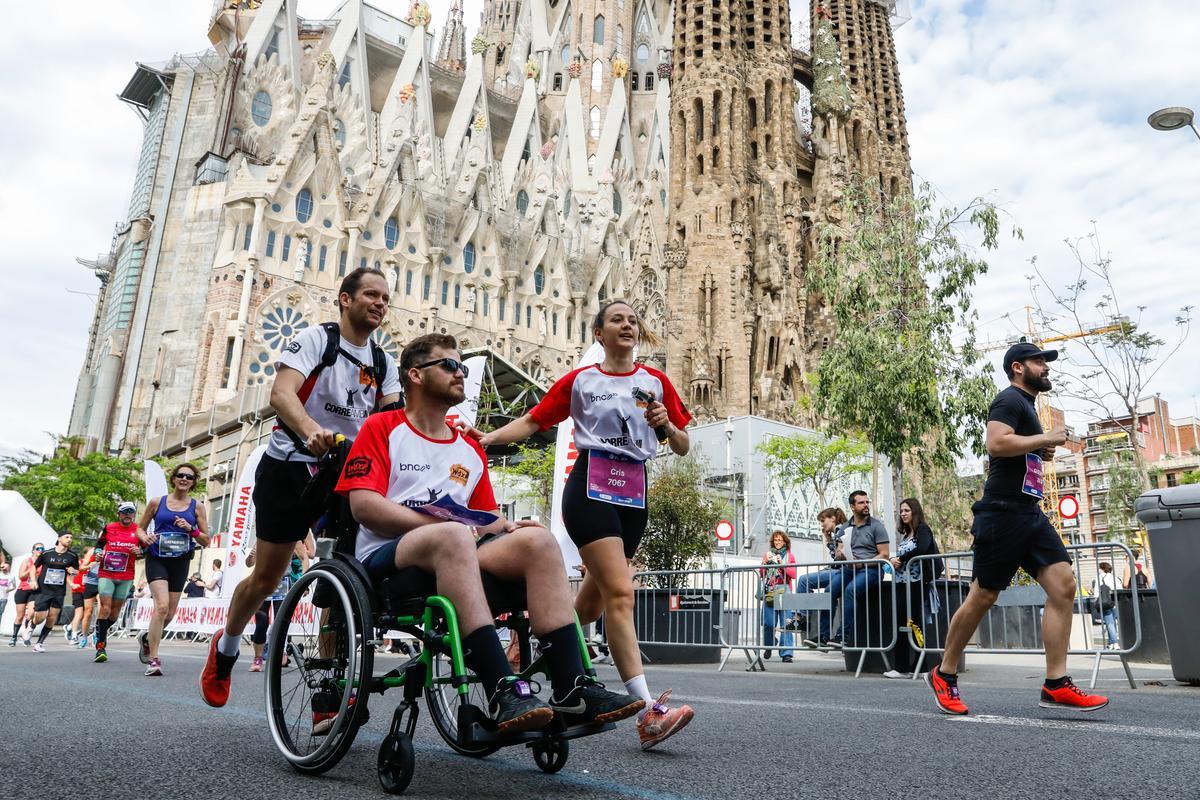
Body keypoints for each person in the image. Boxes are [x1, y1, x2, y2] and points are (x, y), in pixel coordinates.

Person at [332, 332, 644, 735]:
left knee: (538, 540)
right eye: (448, 365)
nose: (459, 373)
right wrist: (441, 526)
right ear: (415, 375)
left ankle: (573, 687)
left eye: (462, 366)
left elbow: (484, 518)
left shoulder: (469, 448)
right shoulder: (382, 427)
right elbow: (364, 506)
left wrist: (508, 527)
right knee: (453, 536)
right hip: (388, 555)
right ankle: (502, 688)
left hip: (456, 548)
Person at [474, 300, 695, 750]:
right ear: (598, 333)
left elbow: (684, 444)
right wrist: (489, 437)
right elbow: (533, 420)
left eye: (633, 320)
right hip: (590, 489)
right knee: (620, 591)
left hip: (634, 493)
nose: (628, 325)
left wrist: (667, 425)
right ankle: (650, 713)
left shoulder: (656, 382)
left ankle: (534, 649)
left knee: (591, 607)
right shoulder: (581, 381)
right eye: (617, 320)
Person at [200, 267, 402, 707]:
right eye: (371, 294)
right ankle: (226, 648)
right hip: (291, 466)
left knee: (345, 577)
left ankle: (329, 689)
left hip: (347, 474)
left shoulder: (384, 362)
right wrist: (311, 430)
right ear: (345, 299)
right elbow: (282, 394)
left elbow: (393, 420)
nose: (380, 304)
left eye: (386, 298)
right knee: (267, 577)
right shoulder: (315, 340)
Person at [926, 343, 1108, 715]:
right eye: (1039, 362)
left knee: (1064, 584)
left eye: (1046, 362)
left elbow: (1016, 448)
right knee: (983, 596)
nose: (1046, 368)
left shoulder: (1027, 407)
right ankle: (944, 673)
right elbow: (996, 442)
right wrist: (1044, 439)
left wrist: (1037, 452)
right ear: (1017, 367)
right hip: (1002, 514)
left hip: (1029, 512)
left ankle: (1056, 683)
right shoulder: (1009, 400)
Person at [137, 464, 210, 675]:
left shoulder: (197, 507)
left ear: (194, 481)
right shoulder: (157, 502)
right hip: (157, 558)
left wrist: (191, 529)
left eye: (189, 476)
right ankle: (154, 660)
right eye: (180, 475)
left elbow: (206, 541)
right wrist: (145, 538)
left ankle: (146, 638)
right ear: (174, 478)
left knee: (169, 613)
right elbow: (140, 528)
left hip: (180, 561)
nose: (184, 479)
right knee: (161, 606)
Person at [886, 498, 941, 678]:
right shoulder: (905, 535)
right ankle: (902, 667)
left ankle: (921, 666)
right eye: (901, 511)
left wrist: (900, 559)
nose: (903, 514)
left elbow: (923, 548)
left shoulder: (923, 530)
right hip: (901, 584)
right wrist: (893, 561)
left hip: (917, 583)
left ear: (915, 511)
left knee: (915, 623)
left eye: (907, 510)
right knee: (901, 623)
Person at [830, 491, 890, 649]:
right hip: (850, 569)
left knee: (851, 590)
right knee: (829, 590)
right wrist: (840, 554)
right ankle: (823, 636)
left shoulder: (877, 526)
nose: (866, 505)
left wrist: (862, 564)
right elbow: (839, 552)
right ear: (852, 506)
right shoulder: (844, 527)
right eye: (861, 503)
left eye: (867, 502)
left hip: (872, 570)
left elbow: (884, 555)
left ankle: (843, 636)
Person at [93, 501, 144, 664]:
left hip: (126, 576)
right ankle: (101, 646)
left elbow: (146, 549)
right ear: (119, 514)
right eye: (124, 511)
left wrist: (140, 551)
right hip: (106, 573)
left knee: (114, 614)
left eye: (131, 512)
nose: (128, 514)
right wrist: (98, 553)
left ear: (134, 514)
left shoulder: (138, 530)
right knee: (105, 608)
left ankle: (100, 631)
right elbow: (99, 545)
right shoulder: (109, 527)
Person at [245, 542, 306, 673]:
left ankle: (279, 654)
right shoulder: (262, 538)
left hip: (282, 584)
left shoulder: (293, 538)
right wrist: (251, 557)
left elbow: (304, 558)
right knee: (261, 622)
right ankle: (258, 658)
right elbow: (249, 563)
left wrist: (303, 580)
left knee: (281, 621)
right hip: (263, 582)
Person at [799, 507, 849, 649]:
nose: (822, 525)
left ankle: (803, 617)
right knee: (823, 591)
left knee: (804, 580)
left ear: (832, 518)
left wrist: (829, 541)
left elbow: (838, 557)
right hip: (838, 570)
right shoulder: (838, 531)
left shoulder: (841, 529)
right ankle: (804, 617)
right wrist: (828, 539)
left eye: (823, 520)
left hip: (839, 571)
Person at [30, 532, 81, 652]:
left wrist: (73, 571)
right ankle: (31, 624)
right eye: (67, 537)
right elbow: (34, 567)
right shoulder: (47, 553)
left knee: (52, 618)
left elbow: (77, 572)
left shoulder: (72, 556)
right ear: (59, 539)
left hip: (59, 591)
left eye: (71, 537)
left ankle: (39, 644)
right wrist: (33, 580)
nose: (69, 539)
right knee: (40, 618)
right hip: (43, 589)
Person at [759, 531, 797, 662]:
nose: (777, 542)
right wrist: (764, 563)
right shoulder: (768, 555)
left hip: (784, 589)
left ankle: (787, 653)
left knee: (787, 622)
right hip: (770, 590)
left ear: (785, 542)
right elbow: (762, 575)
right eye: (775, 540)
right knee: (768, 623)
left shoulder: (789, 556)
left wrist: (782, 564)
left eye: (780, 540)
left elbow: (793, 574)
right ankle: (769, 645)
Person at [9, 543, 43, 647]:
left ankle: (26, 634)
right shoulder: (27, 561)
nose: (40, 550)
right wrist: (31, 569)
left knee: (32, 613)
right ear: (33, 550)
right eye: (38, 548)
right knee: (20, 616)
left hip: (35, 591)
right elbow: (21, 576)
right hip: (23, 589)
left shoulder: (43, 563)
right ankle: (14, 637)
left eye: (42, 548)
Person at [67, 547, 97, 645]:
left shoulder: (96, 563)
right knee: (79, 613)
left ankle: (70, 627)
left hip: (88, 590)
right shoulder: (79, 562)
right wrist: (72, 584)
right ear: (86, 554)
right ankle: (74, 636)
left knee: (88, 613)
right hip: (78, 590)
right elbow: (69, 574)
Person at [1093, 562, 1119, 650]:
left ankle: (1115, 642)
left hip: (1104, 603)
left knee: (1109, 623)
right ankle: (1111, 642)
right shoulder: (1114, 578)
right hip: (1113, 602)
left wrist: (1096, 602)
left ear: (1103, 569)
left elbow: (1096, 593)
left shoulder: (1099, 578)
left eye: (1099, 568)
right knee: (1112, 623)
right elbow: (1118, 589)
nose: (1098, 570)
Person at [0, 556, 14, 629]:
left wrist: (9, 590)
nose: (4, 569)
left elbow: (14, 586)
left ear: (9, 568)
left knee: (0, 613)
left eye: (6, 567)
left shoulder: (11, 576)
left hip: (4, 598)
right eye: (3, 567)